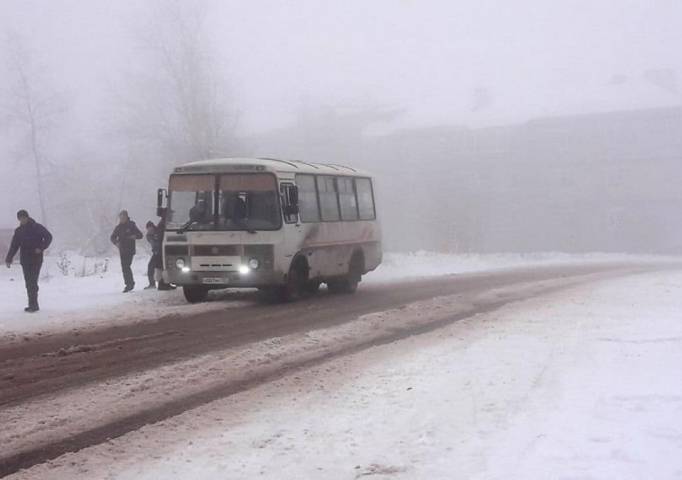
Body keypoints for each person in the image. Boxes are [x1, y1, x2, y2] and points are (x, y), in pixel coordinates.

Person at [5, 210, 53, 313]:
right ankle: (32, 304)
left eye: (23, 218)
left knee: (32, 282)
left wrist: (41, 247)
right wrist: (9, 258)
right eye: (20, 218)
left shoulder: (37, 227)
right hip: (25, 260)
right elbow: (14, 245)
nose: (22, 220)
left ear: (27, 217)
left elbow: (49, 237)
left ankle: (34, 305)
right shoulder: (18, 231)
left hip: (36, 259)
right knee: (29, 283)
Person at [110, 210, 143, 293]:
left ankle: (130, 284)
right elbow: (112, 237)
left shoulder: (131, 225)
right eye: (120, 218)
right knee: (125, 267)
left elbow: (140, 235)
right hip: (122, 250)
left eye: (123, 217)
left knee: (126, 266)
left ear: (126, 217)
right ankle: (129, 284)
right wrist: (116, 243)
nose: (121, 219)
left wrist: (134, 236)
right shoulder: (118, 227)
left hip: (130, 249)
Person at [144, 219, 173, 290]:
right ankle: (153, 283)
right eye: (148, 228)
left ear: (153, 227)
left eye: (150, 227)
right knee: (152, 267)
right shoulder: (149, 235)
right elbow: (153, 243)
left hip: (162, 252)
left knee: (163, 268)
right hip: (156, 253)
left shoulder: (159, 231)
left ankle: (166, 283)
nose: (149, 229)